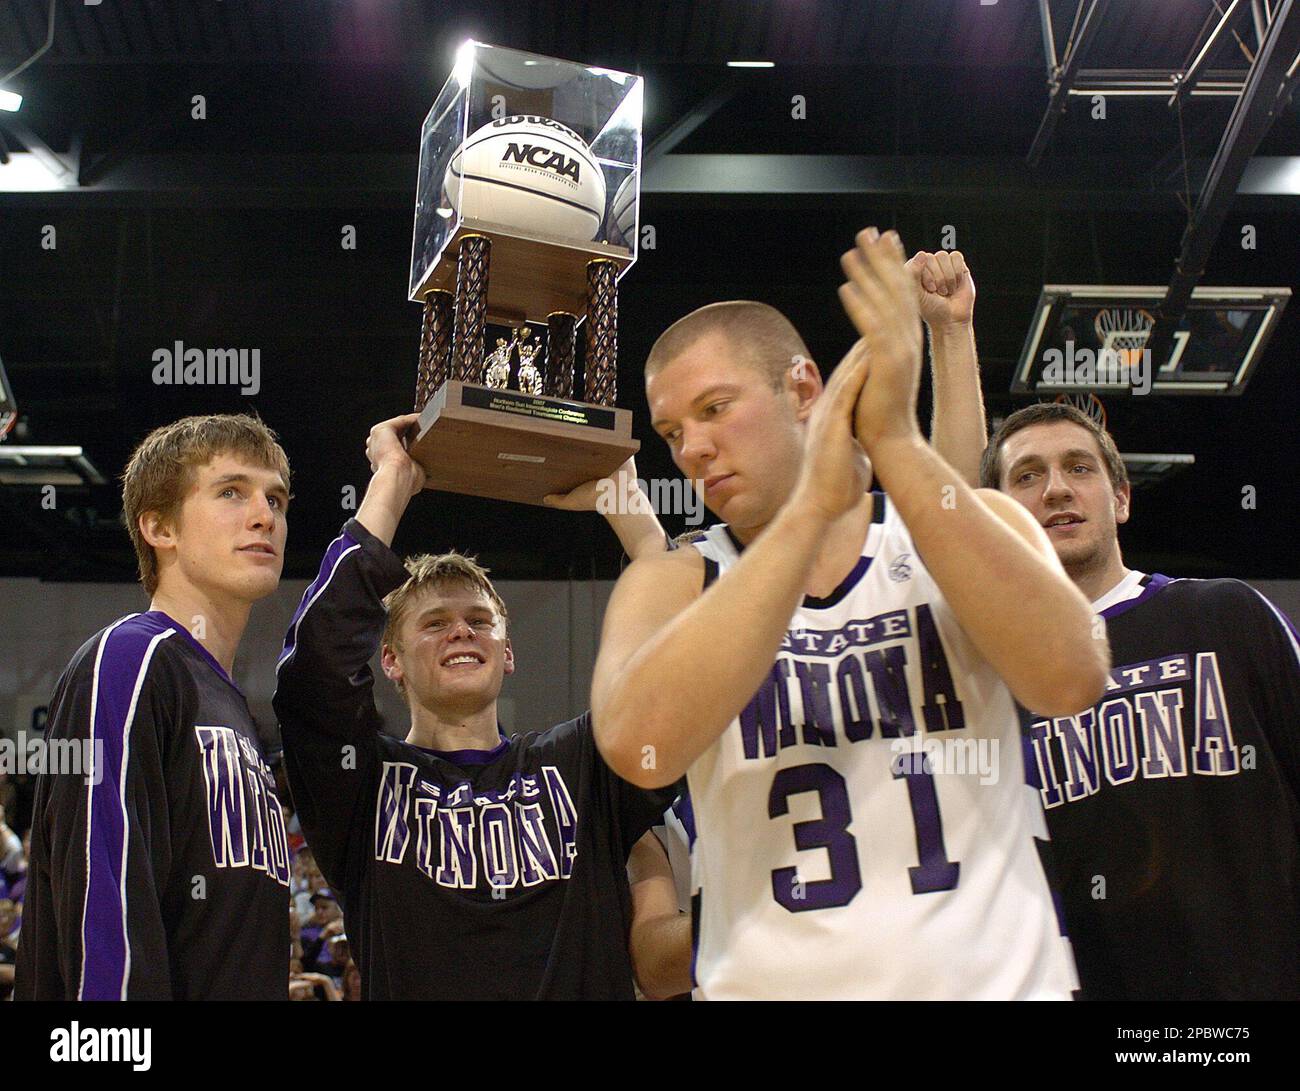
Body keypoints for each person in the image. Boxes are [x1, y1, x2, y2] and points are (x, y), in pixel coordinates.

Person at [590, 228, 1109, 999]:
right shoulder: (672, 580)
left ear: (803, 390)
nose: (692, 448)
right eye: (673, 432)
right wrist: (808, 513)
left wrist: (892, 433)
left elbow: (1072, 676)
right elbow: (640, 749)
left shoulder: (960, 529)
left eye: (714, 408)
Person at [272, 423, 679, 999]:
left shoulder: (581, 764)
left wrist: (630, 510)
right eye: (435, 624)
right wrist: (392, 482)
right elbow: (313, 670)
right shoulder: (360, 783)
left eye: (480, 621)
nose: (461, 631)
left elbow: (686, 671)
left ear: (506, 652)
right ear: (390, 660)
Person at [981, 400, 1300, 999]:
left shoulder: (1226, 615)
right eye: (1027, 476)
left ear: (1121, 499)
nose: (1055, 490)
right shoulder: (990, 687)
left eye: (1079, 468)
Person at [15, 414, 293, 1001]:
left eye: (276, 498)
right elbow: (104, 896)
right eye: (231, 492)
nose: (265, 515)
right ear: (159, 527)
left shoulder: (230, 705)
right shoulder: (130, 659)